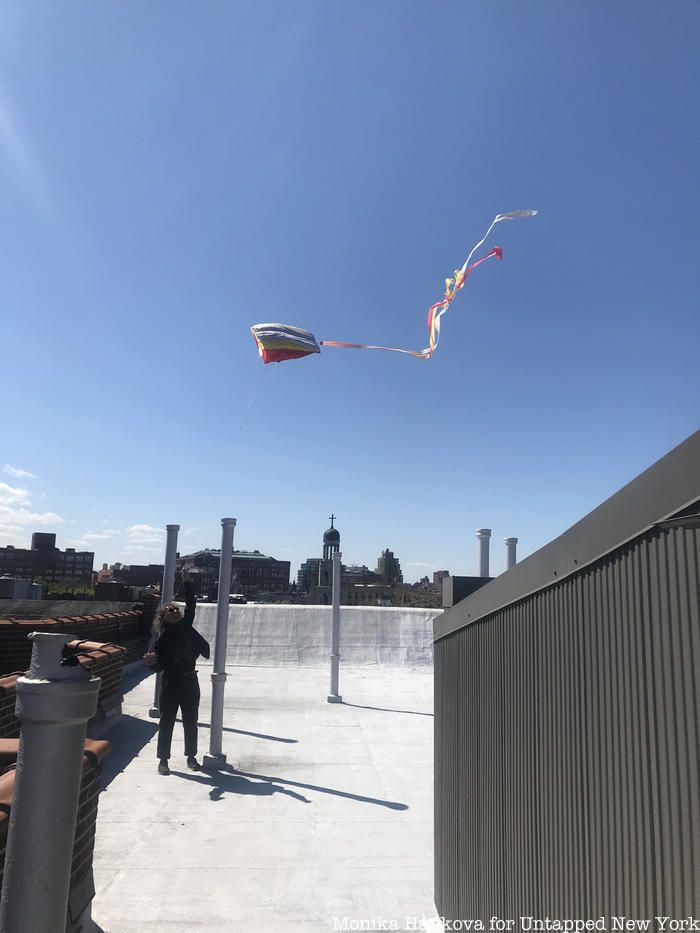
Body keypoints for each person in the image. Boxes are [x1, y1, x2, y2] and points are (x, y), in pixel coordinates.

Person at [144, 568, 210, 775]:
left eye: (176, 610)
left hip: (190, 682)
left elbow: (192, 605)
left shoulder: (185, 626)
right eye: (170, 610)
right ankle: (163, 760)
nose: (175, 611)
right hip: (170, 684)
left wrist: (187, 582)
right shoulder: (161, 640)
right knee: (167, 722)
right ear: (164, 617)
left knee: (191, 722)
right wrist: (150, 663)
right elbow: (159, 667)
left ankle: (191, 757)